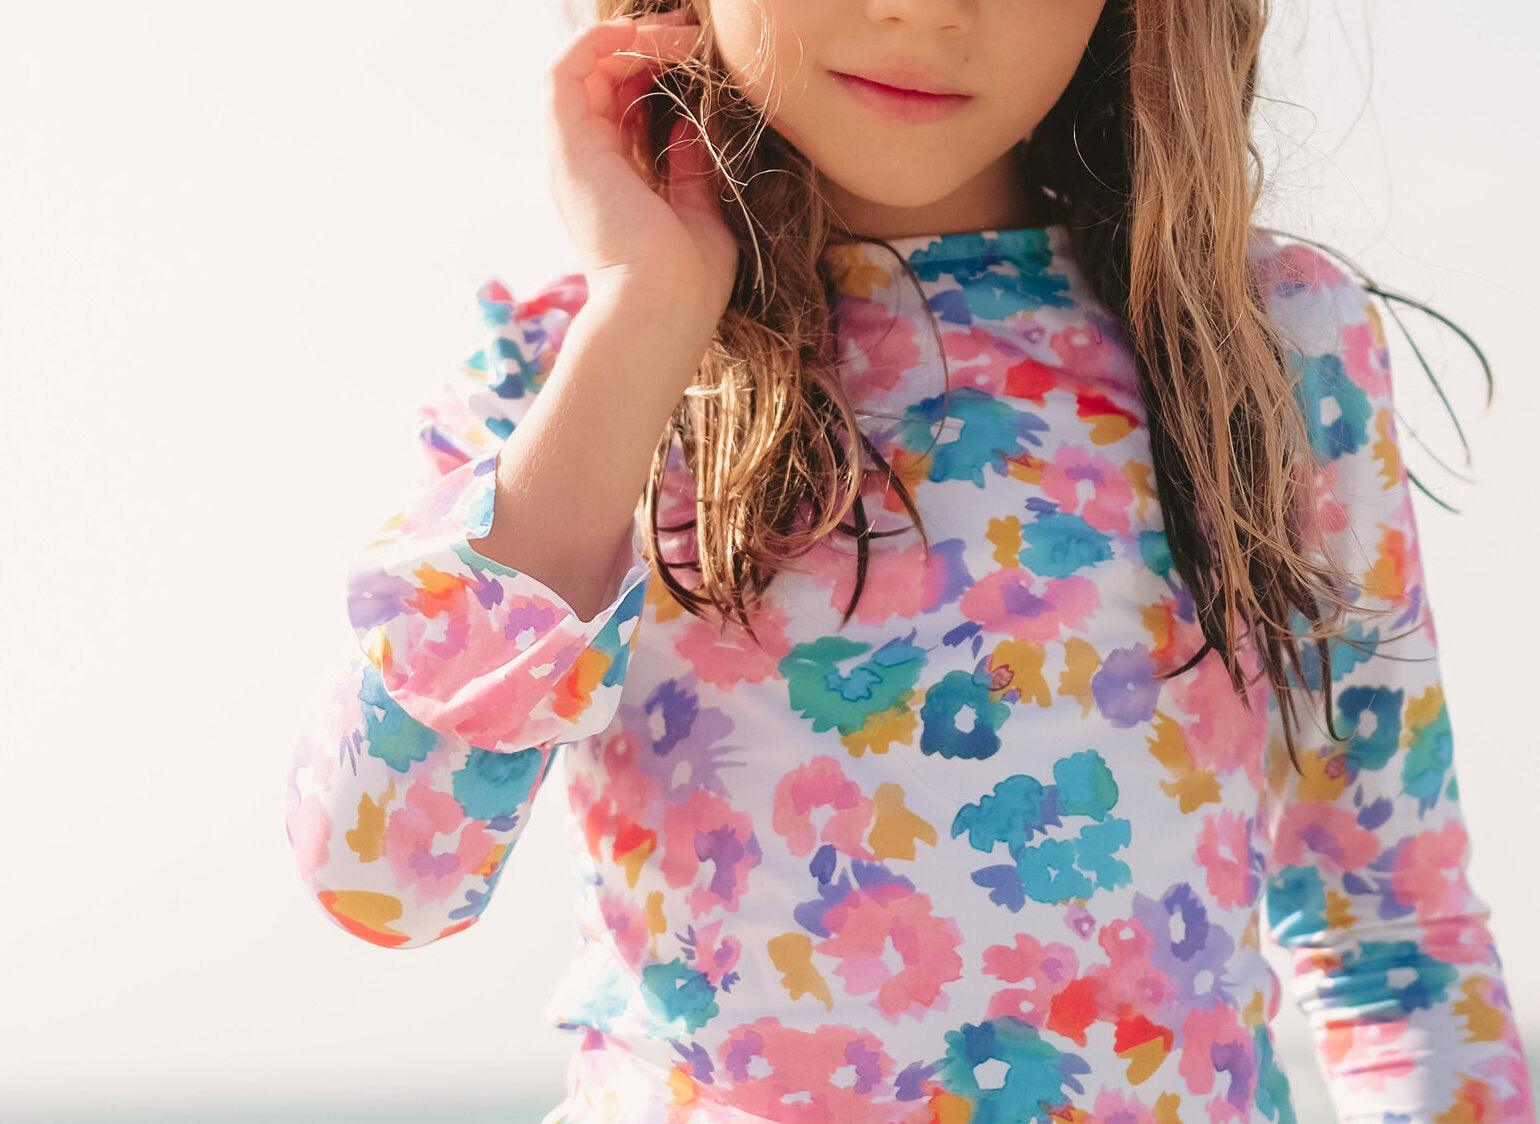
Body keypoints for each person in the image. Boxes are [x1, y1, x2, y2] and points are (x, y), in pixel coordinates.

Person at [283, 1, 1534, 1120]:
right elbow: (387, 873)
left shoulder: (1263, 346)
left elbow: (1392, 936)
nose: (931, 9)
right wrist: (647, 314)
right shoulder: (572, 367)